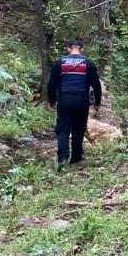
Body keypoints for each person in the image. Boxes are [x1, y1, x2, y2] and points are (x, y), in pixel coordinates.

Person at [47, 39, 102, 169]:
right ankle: (76, 158)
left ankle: (62, 160)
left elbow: (51, 84)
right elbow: (96, 85)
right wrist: (97, 102)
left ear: (68, 49)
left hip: (64, 99)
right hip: (81, 100)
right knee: (78, 129)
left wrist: (51, 101)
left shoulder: (60, 63)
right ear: (82, 49)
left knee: (63, 130)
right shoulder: (88, 63)